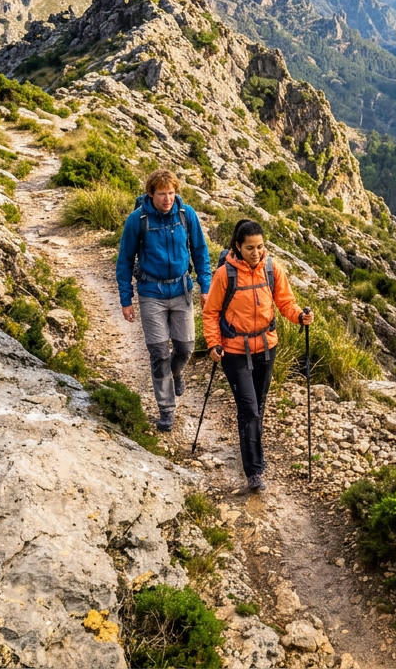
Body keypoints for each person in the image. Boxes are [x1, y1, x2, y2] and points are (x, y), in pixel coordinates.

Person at [203, 218, 313, 492]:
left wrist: (299, 316)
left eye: (260, 246)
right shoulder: (224, 275)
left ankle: (251, 447)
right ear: (238, 247)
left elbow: (285, 301)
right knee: (249, 409)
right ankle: (254, 471)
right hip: (234, 351)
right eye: (250, 247)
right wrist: (214, 344)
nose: (256, 252)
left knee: (258, 405)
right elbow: (211, 312)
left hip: (266, 347)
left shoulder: (271, 268)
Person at [116, 169, 211, 432]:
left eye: (171, 193)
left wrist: (206, 286)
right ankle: (166, 409)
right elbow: (124, 260)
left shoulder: (186, 215)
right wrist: (126, 299)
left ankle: (177, 371)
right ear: (151, 194)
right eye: (162, 194)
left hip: (181, 291)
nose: (167, 199)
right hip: (151, 295)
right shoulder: (138, 220)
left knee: (186, 348)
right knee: (159, 353)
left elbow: (200, 251)